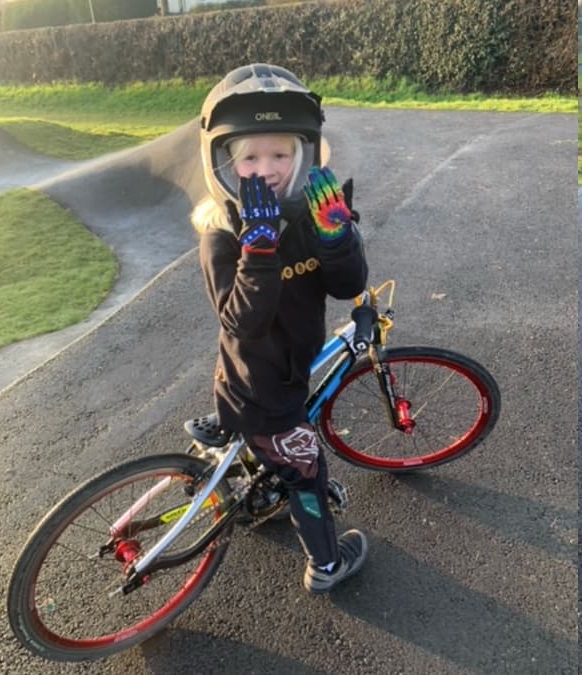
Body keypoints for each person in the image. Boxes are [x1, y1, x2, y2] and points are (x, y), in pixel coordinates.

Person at [190, 63, 370, 593]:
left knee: (275, 445)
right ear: (222, 162)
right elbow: (243, 320)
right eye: (249, 157)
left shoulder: (310, 220)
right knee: (308, 470)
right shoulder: (222, 237)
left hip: (277, 373)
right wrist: (259, 244)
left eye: (280, 154)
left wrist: (336, 237)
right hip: (262, 388)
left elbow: (348, 284)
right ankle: (327, 564)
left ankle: (251, 464)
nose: (266, 168)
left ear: (306, 155)